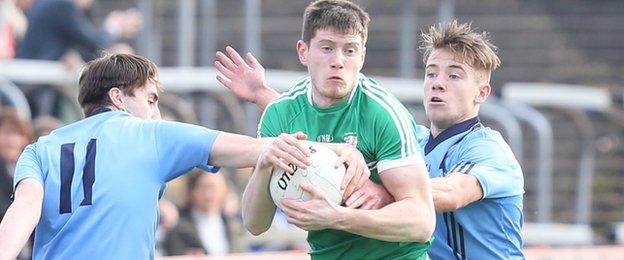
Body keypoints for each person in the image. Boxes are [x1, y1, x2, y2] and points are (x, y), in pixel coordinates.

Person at [219, 20, 526, 259]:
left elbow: (454, 192)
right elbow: (316, 144)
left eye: (454, 76)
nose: (438, 84)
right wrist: (263, 96)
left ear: (482, 93)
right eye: (432, 74)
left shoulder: (489, 149)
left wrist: (384, 192)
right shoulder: (415, 141)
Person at [0, 53, 329, 260]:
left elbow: (25, 208)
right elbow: (257, 148)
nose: (156, 113)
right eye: (151, 99)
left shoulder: (40, 148)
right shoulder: (149, 135)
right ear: (118, 97)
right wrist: (267, 99)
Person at [216, 1, 435, 259]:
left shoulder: (382, 112)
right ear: (303, 51)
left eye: (350, 51)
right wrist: (264, 162)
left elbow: (422, 221)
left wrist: (339, 217)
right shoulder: (279, 113)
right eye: (327, 48)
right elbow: (254, 224)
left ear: (362, 57)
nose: (338, 61)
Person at [164, 170, 240, 256]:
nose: (208, 194)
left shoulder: (233, 225)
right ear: (192, 191)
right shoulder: (177, 226)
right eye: (203, 187)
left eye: (213, 187)